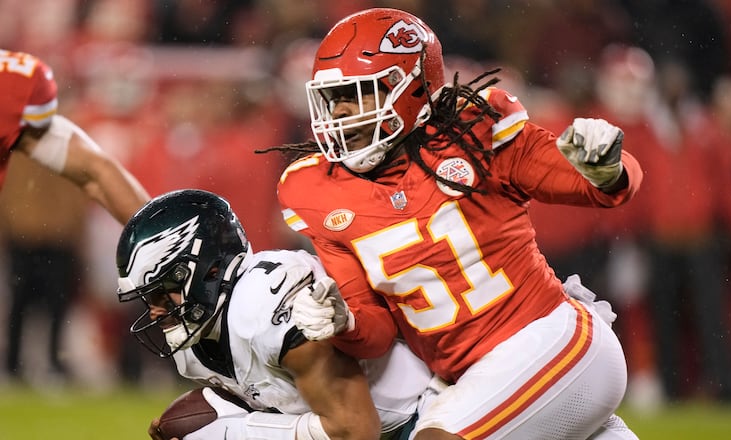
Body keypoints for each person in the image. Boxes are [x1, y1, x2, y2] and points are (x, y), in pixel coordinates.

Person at [263, 8, 642, 439]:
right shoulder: (314, 190)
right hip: (472, 378)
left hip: (549, 339)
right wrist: (343, 321)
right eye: (333, 99)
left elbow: (597, 187)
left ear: (411, 89)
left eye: (359, 95)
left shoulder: (474, 131)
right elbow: (377, 333)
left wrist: (608, 168)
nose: (342, 114)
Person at [115, 189, 434, 440]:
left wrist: (233, 433)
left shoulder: (264, 304)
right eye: (148, 298)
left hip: (420, 417)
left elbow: (356, 429)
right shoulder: (194, 345)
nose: (155, 311)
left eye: (164, 292)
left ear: (209, 271)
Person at [1, 49, 149, 381]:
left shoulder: (45, 128)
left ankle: (40, 364)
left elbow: (93, 177)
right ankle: (16, 364)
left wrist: (154, 235)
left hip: (52, 233)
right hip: (28, 230)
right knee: (24, 304)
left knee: (51, 303)